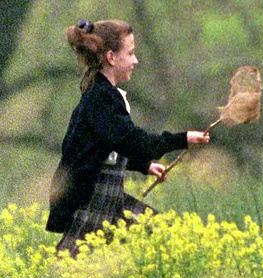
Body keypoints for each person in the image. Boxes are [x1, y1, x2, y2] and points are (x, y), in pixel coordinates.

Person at [46, 19, 210, 258]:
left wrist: (143, 165)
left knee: (166, 240)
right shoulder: (100, 99)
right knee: (68, 269)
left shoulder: (103, 95)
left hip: (107, 199)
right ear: (111, 57)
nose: (136, 61)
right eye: (131, 53)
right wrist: (181, 139)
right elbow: (132, 140)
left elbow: (107, 147)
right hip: (93, 201)